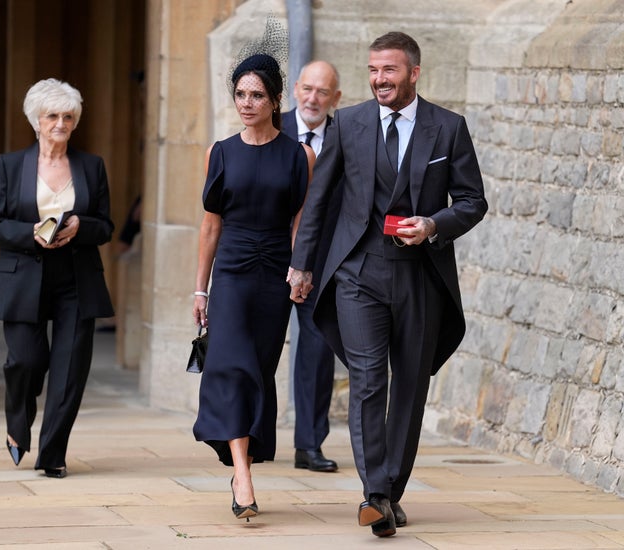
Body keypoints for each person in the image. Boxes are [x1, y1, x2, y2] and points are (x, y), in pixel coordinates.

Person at [287, 32, 488, 537]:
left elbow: (472, 200)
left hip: (421, 275)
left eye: (390, 71)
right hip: (358, 271)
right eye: (374, 70)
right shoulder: (349, 123)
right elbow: (319, 201)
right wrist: (303, 265)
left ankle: (392, 489)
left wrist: (434, 225)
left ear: (414, 73)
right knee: (369, 380)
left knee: (410, 388)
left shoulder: (448, 128)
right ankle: (375, 493)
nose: (379, 80)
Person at [191, 44, 315, 520]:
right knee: (230, 366)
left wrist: (299, 269)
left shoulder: (299, 155)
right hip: (233, 274)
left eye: (257, 95)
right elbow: (210, 227)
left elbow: (301, 224)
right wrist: (200, 289)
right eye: (240, 94)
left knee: (258, 370)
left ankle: (241, 459)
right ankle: (242, 475)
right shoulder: (219, 153)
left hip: (274, 277)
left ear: (275, 100)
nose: (247, 102)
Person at [0, 78, 115, 479]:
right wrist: (33, 234)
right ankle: (18, 420)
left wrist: (80, 225)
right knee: (25, 360)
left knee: (70, 369)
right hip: (24, 275)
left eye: (68, 116)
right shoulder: (11, 164)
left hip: (77, 278)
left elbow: (106, 226)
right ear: (36, 121)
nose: (61, 122)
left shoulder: (91, 166)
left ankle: (53, 453)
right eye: (52, 115)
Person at [282, 60, 342, 473]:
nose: (313, 98)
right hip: (268, 258)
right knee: (257, 349)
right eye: (307, 89)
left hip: (322, 265)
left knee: (318, 353)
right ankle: (250, 438)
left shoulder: (347, 134)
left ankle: (309, 444)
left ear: (335, 98)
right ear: (296, 89)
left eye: (323, 92)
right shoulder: (270, 127)